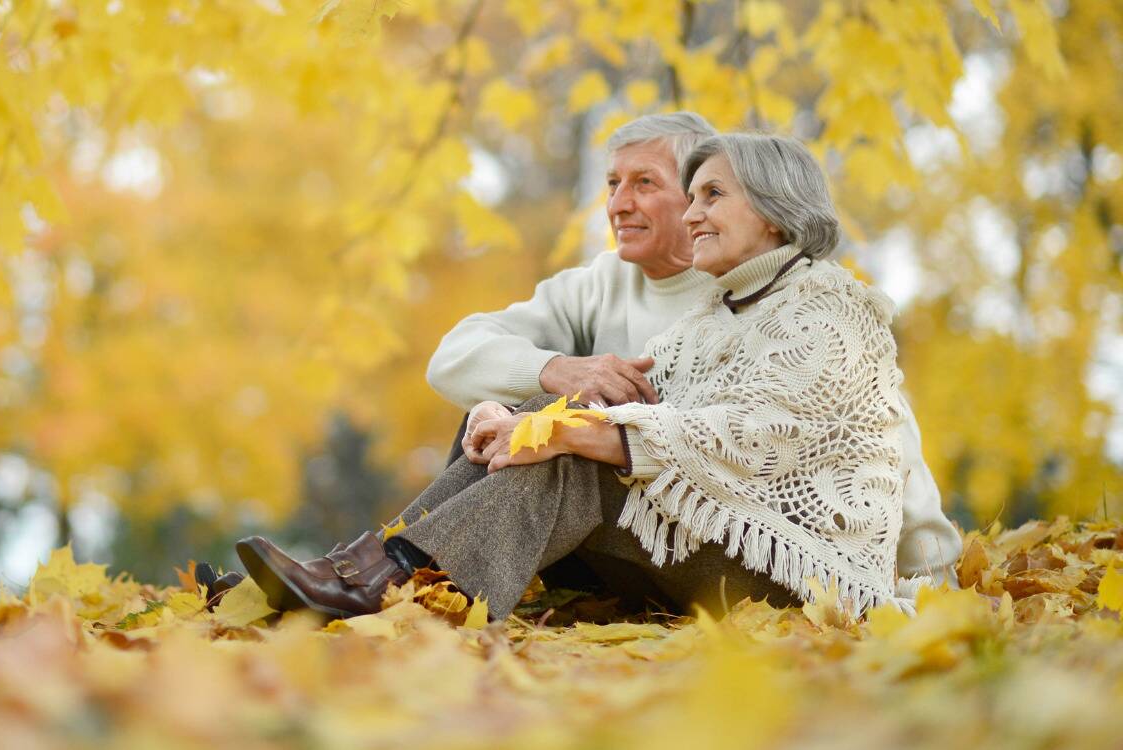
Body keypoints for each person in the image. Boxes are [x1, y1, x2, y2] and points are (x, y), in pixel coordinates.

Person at [234, 131, 937, 621]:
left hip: (800, 575)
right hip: (710, 544)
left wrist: (565, 434)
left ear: (778, 214)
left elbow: (751, 437)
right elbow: (646, 409)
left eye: (711, 195)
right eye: (690, 197)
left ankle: (387, 587)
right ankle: (357, 576)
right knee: (555, 409)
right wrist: (521, 419)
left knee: (573, 450)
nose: (691, 214)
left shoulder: (831, 310)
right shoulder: (715, 314)